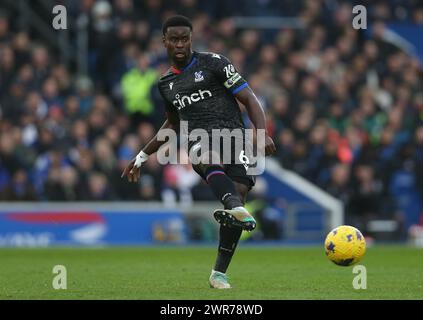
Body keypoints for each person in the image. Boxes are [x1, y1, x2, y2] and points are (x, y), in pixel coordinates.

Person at [121, 15, 276, 289]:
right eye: (174, 39)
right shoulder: (166, 83)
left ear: (191, 39)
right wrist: (142, 156)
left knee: (239, 191)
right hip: (200, 139)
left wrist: (260, 133)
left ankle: (219, 272)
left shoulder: (215, 63)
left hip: (235, 137)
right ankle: (235, 208)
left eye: (185, 39)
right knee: (206, 158)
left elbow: (249, 98)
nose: (180, 44)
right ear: (164, 42)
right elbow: (172, 123)